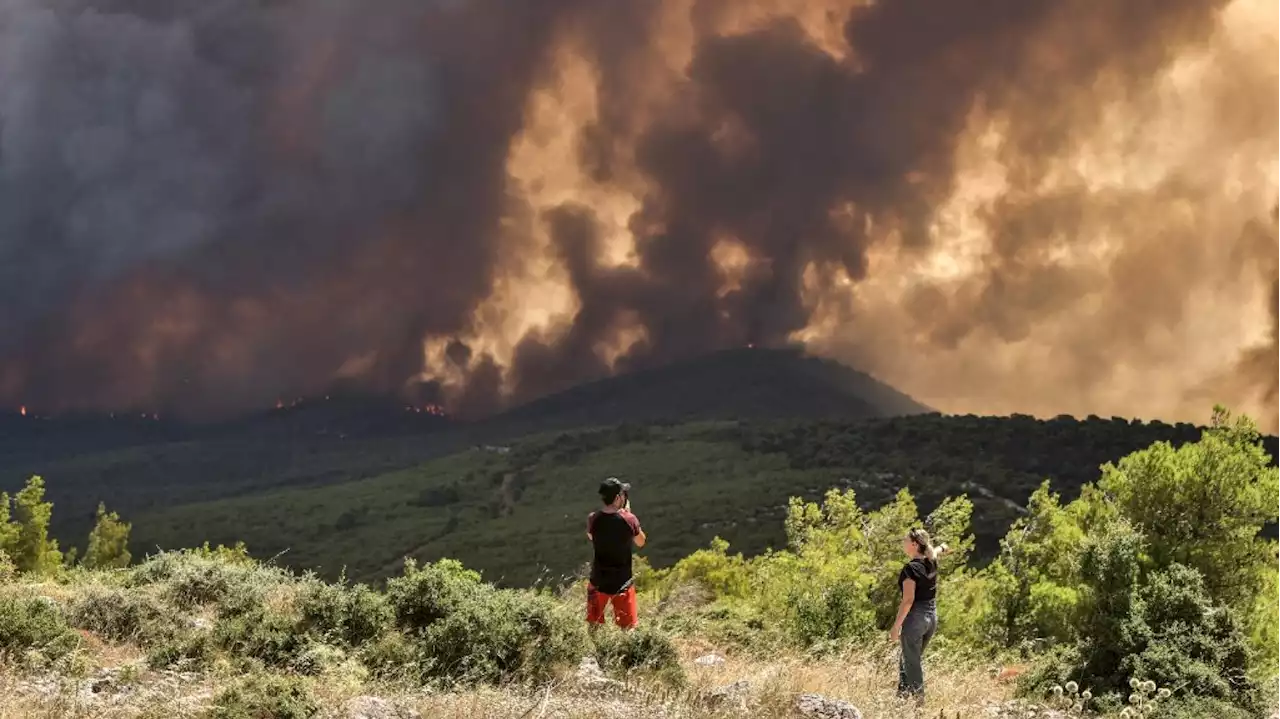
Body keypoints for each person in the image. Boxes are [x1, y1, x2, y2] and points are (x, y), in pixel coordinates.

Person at [890, 528, 949, 702]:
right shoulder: (931, 560)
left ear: (915, 544)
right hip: (931, 618)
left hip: (916, 619)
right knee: (908, 658)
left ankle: (918, 704)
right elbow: (936, 551)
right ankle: (902, 699)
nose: (903, 543)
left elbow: (908, 600)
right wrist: (943, 548)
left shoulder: (910, 569)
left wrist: (896, 627)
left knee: (912, 663)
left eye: (905, 540)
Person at [585, 477, 647, 630]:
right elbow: (641, 542)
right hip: (622, 582)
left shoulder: (593, 518)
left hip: (598, 579)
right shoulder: (629, 519)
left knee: (594, 625)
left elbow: (591, 537)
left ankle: (594, 652)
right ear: (618, 497)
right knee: (628, 628)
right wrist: (629, 516)